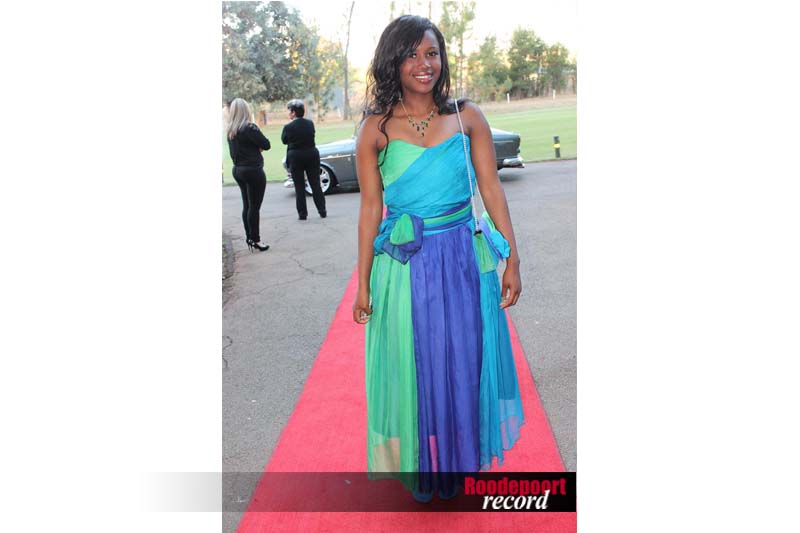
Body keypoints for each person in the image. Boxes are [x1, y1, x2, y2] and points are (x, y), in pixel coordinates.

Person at [352, 15, 526, 502]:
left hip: (464, 262)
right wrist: (363, 282)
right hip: (405, 268)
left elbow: (491, 189)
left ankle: (458, 460)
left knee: (465, 362)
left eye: (431, 53)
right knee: (418, 366)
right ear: (393, 62)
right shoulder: (375, 130)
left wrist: (511, 259)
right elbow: (369, 211)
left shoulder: (467, 117)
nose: (423, 64)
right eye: (411, 54)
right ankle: (425, 466)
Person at [226, 98, 270, 252]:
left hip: (238, 170)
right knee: (254, 207)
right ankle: (256, 239)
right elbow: (266, 144)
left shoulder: (231, 131)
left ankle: (250, 237)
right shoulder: (250, 128)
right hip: (253, 170)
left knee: (247, 205)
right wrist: (257, 148)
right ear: (246, 110)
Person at [281, 99, 327, 220]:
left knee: (299, 186)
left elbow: (284, 140)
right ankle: (322, 210)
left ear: (293, 112)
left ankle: (302, 214)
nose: (288, 113)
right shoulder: (310, 123)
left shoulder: (288, 127)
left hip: (296, 156)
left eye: (289, 111)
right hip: (311, 154)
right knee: (315, 184)